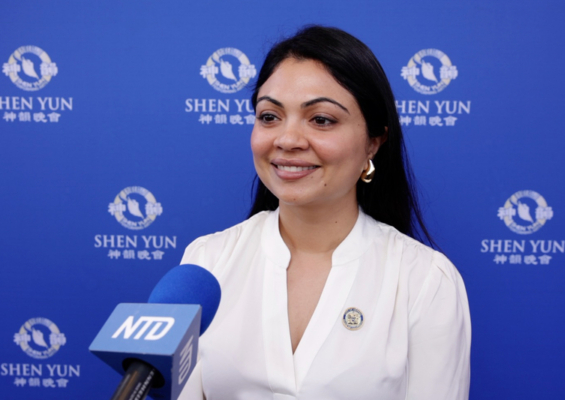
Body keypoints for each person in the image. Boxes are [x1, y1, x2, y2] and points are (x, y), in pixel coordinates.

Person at [178, 25, 470, 400]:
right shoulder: (206, 263)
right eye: (269, 116)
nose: (287, 140)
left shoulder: (424, 280)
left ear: (374, 141)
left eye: (321, 120)